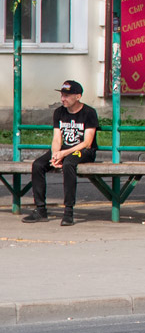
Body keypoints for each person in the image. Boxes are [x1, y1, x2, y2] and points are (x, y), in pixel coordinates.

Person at [24, 80, 98, 226]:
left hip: (83, 151)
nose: (63, 99)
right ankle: (40, 210)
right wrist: (55, 154)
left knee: (69, 164)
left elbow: (87, 142)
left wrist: (63, 155)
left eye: (67, 96)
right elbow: (57, 138)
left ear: (78, 96)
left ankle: (68, 211)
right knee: (38, 165)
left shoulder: (89, 113)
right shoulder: (59, 112)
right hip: (64, 149)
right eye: (62, 95)